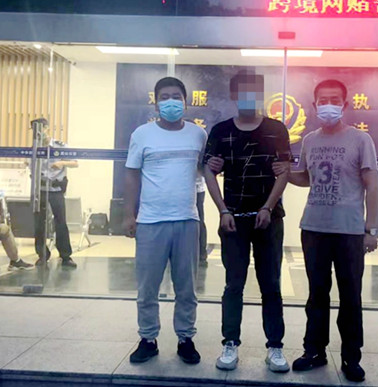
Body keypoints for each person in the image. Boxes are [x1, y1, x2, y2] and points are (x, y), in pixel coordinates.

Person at [274, 79, 378, 383]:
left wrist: (370, 229)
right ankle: (314, 351)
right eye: (323, 100)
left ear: (344, 104)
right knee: (317, 294)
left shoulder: (361, 140)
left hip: (349, 231)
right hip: (314, 228)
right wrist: (286, 174)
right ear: (314, 104)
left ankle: (351, 357)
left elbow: (372, 186)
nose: (328, 105)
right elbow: (308, 178)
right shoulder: (310, 140)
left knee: (350, 296)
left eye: (335, 100)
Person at [203, 70, 291, 373]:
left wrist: (268, 206)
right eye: (242, 92)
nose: (248, 98)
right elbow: (208, 171)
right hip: (233, 221)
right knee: (233, 284)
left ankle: (275, 347)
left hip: (269, 219)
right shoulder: (220, 130)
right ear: (233, 95)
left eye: (254, 92)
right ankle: (230, 343)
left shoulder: (276, 129)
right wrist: (223, 210)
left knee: (271, 284)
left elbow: (284, 172)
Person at [123, 76, 207, 365]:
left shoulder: (198, 134)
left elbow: (206, 170)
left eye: (176, 97)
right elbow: (132, 175)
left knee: (187, 287)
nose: (171, 102)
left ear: (186, 101)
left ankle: (186, 338)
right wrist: (129, 214)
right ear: (156, 103)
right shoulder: (142, 134)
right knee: (147, 288)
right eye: (164, 97)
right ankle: (148, 339)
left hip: (187, 220)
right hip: (150, 222)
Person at [34, 136, 78, 269]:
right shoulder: (35, 147)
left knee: (61, 222)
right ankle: (42, 255)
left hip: (56, 189)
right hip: (41, 190)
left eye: (41, 129)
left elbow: (75, 162)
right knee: (39, 223)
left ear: (47, 128)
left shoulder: (61, 146)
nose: (39, 134)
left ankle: (65, 256)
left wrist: (62, 163)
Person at [196, 175, 208, 266]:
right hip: (197, 188)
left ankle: (202, 252)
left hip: (197, 188)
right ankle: (202, 253)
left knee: (199, 221)